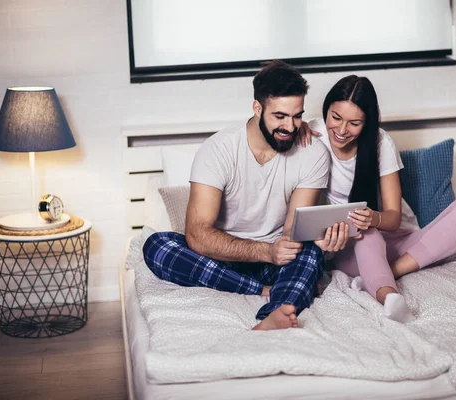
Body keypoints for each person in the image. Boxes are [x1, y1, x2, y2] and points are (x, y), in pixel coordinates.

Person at [142, 61, 349, 331]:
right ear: (257, 108)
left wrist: (300, 245)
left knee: (309, 252)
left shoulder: (312, 154)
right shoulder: (218, 150)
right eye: (280, 117)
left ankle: (277, 311)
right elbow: (197, 234)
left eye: (297, 116)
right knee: (156, 246)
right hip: (221, 256)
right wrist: (265, 251)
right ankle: (263, 290)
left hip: (276, 258)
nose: (290, 126)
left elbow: (292, 230)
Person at [301, 75, 456, 322]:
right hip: (349, 245)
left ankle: (386, 273)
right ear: (326, 110)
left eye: (354, 123)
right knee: (368, 234)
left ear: (367, 123)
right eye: (336, 117)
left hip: (397, 242)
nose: (342, 130)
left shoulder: (380, 143)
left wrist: (374, 217)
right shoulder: (311, 134)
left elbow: (393, 218)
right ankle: (389, 296)